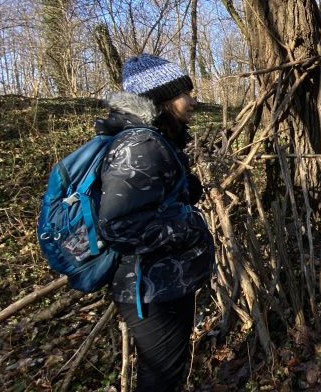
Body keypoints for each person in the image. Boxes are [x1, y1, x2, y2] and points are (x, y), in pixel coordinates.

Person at [97, 53, 215, 391]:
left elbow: (148, 202)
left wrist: (182, 193)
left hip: (161, 281)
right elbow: (118, 225)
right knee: (161, 379)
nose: (193, 101)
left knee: (167, 373)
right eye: (185, 94)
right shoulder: (141, 144)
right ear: (162, 98)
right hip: (148, 287)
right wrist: (190, 225)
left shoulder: (155, 140)